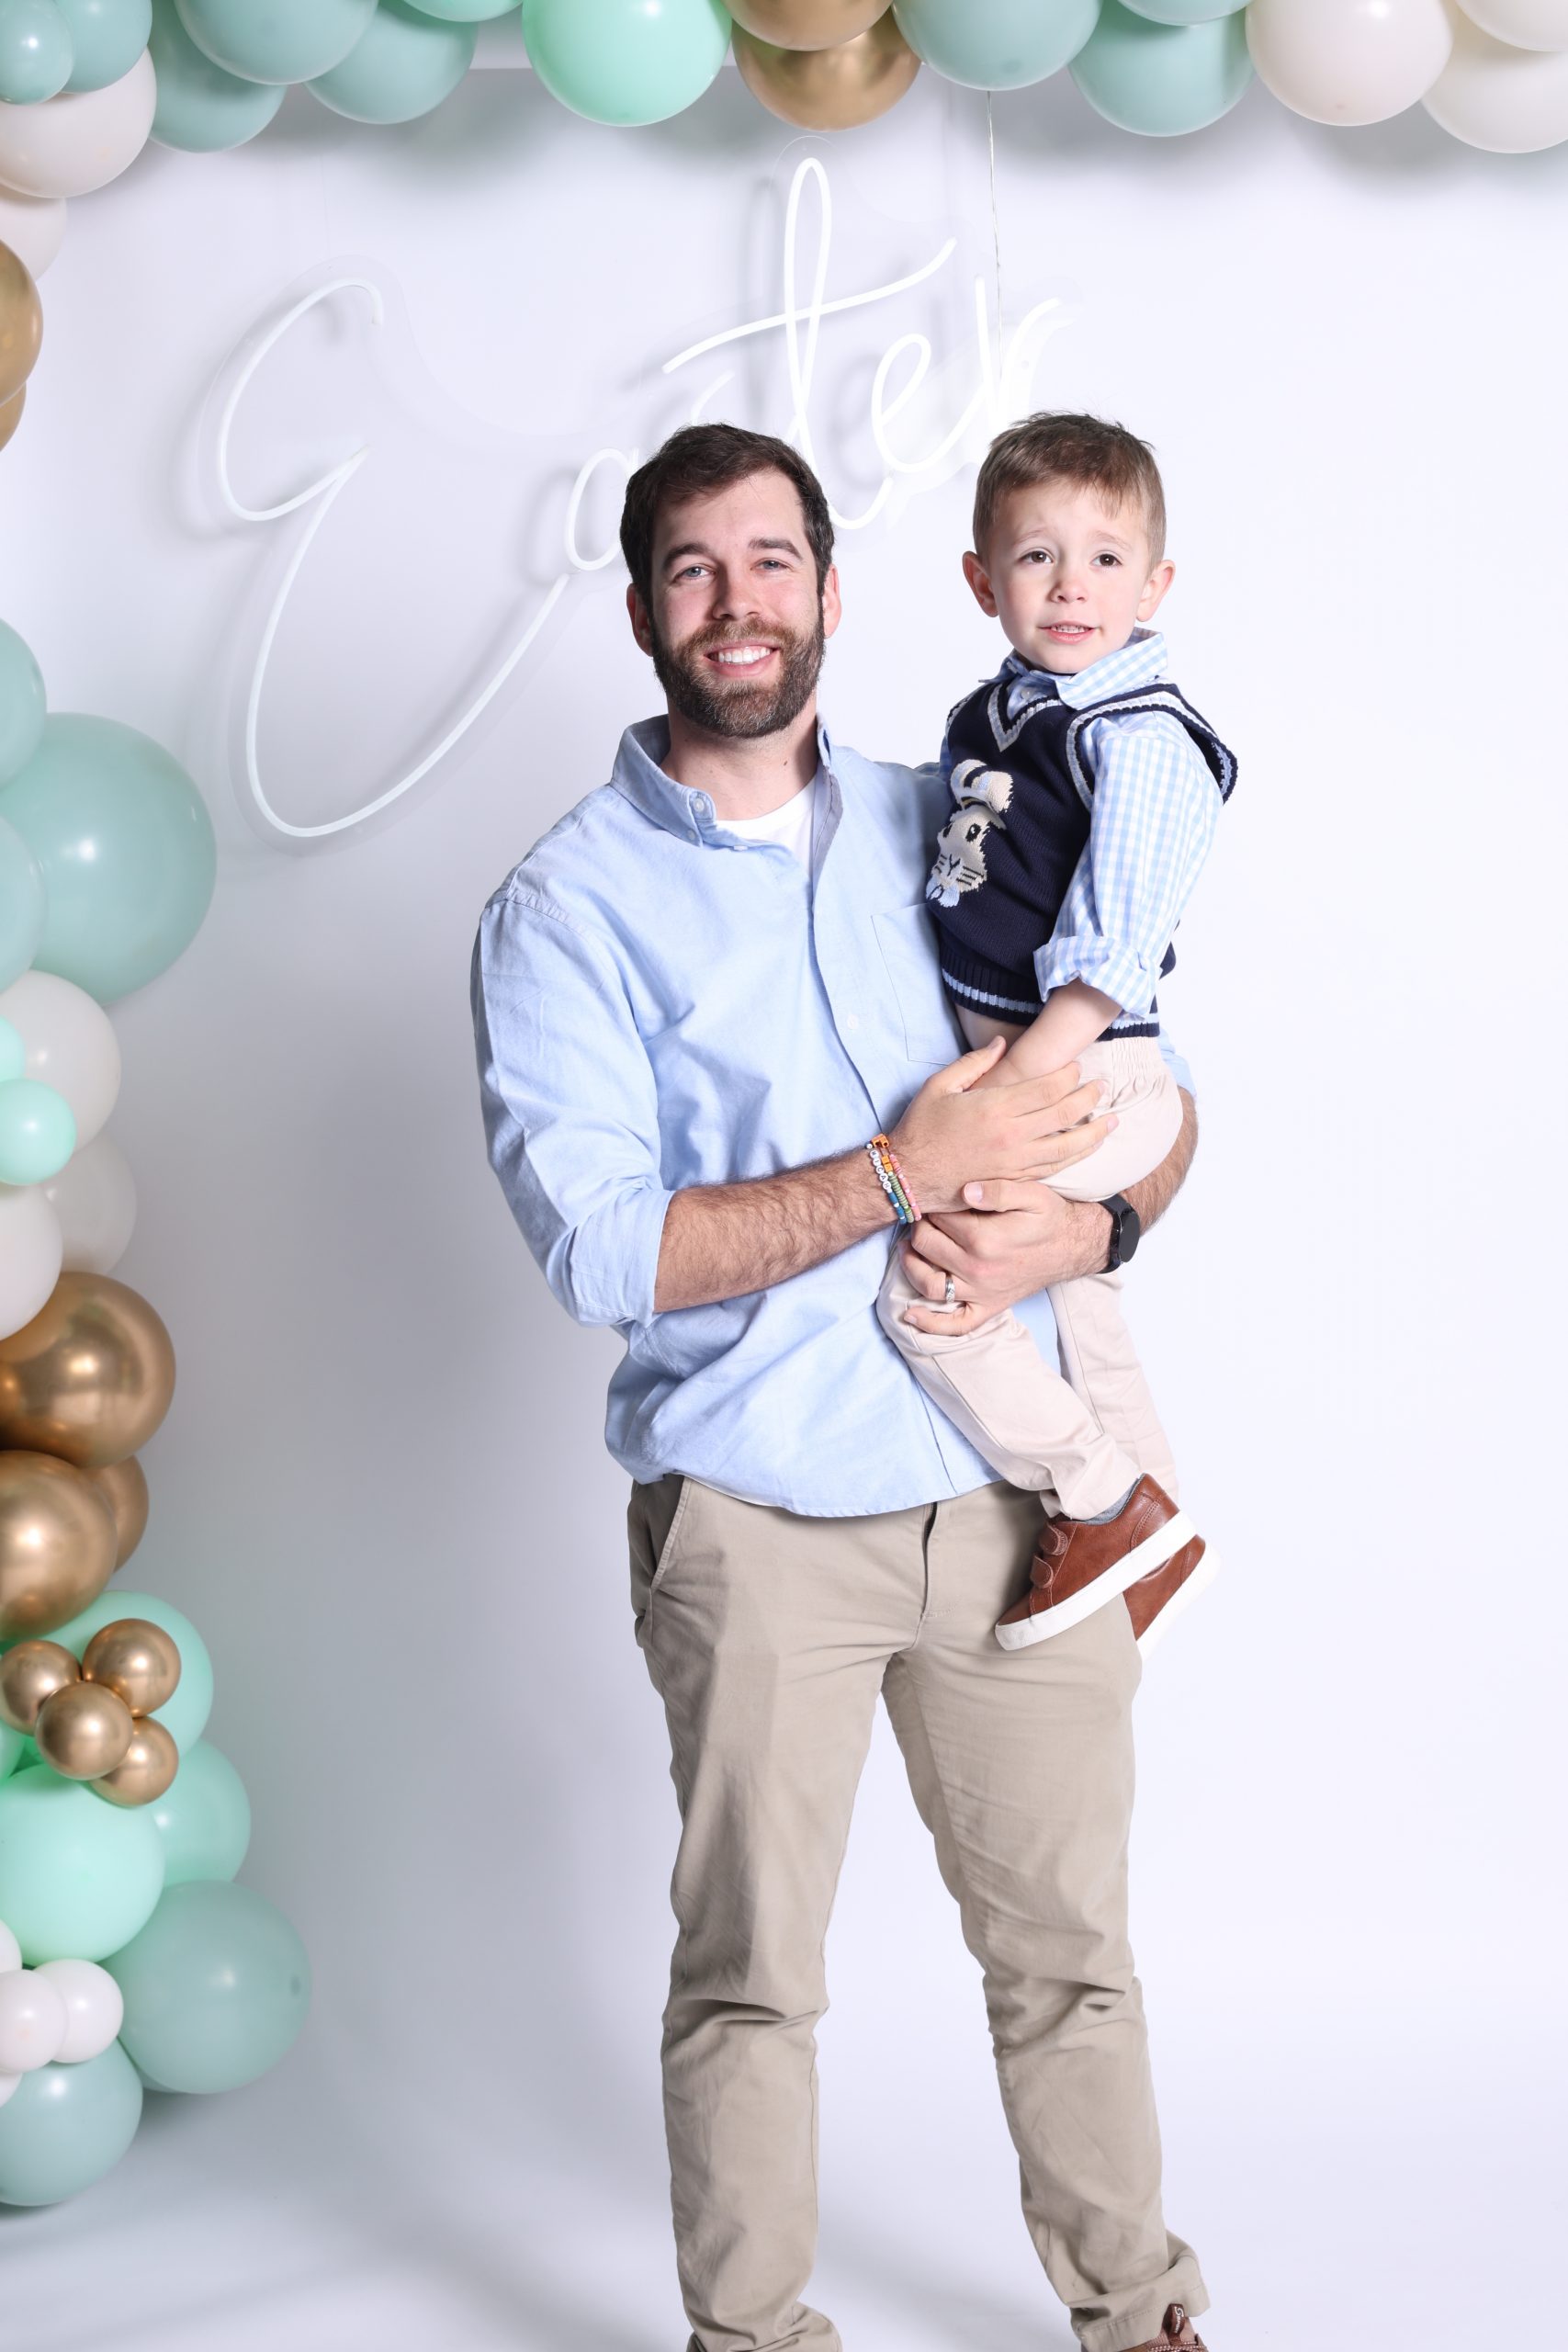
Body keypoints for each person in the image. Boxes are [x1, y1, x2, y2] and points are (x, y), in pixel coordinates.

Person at [471, 422, 1214, 2352]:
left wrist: (1088, 1230)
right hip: (755, 1523)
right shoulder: (564, 910)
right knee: (749, 1981)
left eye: (772, 560)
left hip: (1023, 1515)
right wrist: (899, 1172)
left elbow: (1157, 1096)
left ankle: (1138, 2313)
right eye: (695, 568)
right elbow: (602, 1254)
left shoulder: (955, 814)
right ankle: (751, 2337)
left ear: (828, 587)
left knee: (1072, 1959)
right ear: (642, 608)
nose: (738, 602)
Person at [877, 413, 1237, 1656]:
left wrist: (1004, 1099)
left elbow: (1105, 964)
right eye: (1037, 557)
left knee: (935, 1284)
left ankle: (1095, 1499)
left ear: (1156, 585)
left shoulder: (1139, 742)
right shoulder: (998, 716)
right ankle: (1157, 1522)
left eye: (1105, 558)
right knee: (1080, 1295)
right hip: (1049, 1066)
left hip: (1086, 1068)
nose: (1072, 585)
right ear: (984, 582)